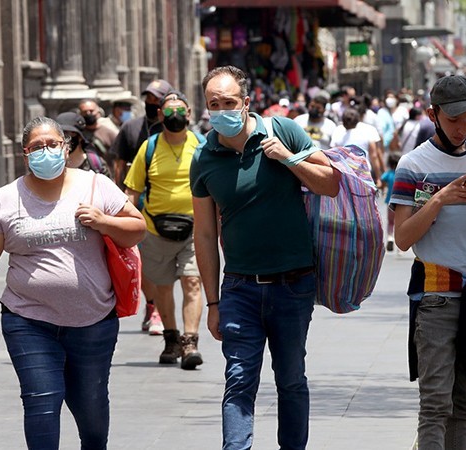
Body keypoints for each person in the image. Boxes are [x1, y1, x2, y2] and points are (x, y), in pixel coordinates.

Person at [0, 116, 145, 449]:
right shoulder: (7, 198)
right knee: (41, 400)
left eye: (52, 144)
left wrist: (103, 221)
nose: (45, 151)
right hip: (28, 319)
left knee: (91, 407)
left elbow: (137, 229)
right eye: (36, 147)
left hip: (93, 321)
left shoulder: (95, 185)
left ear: (66, 148)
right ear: (25, 154)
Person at [191, 66, 340, 450]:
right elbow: (204, 233)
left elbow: (331, 183)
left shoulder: (283, 130)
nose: (221, 110)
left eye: (228, 102)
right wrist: (212, 302)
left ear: (246, 102)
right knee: (239, 380)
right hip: (239, 289)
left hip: (293, 285)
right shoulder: (204, 156)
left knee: (291, 379)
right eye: (213, 104)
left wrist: (289, 159)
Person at [390, 75, 466, 449]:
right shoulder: (413, 164)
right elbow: (402, 238)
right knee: (435, 406)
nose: (462, 128)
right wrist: (439, 200)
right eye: (454, 119)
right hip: (436, 298)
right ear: (433, 115)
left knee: (464, 406)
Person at [123, 90, 205, 369]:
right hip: (155, 231)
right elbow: (132, 191)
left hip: (194, 230)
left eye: (180, 111)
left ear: (189, 114)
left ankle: (190, 342)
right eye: (169, 111)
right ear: (159, 115)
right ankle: (171, 339)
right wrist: (127, 227)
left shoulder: (202, 146)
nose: (175, 116)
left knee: (192, 282)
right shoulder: (149, 148)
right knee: (163, 287)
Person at [109, 78, 174, 335]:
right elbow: (119, 164)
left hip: (170, 204)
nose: (150, 102)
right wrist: (118, 198)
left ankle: (162, 307)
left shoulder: (176, 128)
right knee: (144, 258)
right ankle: (153, 304)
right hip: (139, 203)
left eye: (156, 99)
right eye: (148, 98)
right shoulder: (132, 128)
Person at [331, 108, 385, 182]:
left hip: (344, 175)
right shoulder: (368, 131)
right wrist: (378, 177)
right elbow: (374, 156)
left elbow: (333, 155)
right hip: (364, 174)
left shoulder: (338, 131)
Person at [56, 111, 110, 177]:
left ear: (80, 137)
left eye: (71, 133)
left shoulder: (95, 164)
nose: (65, 138)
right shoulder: (51, 165)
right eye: (60, 133)